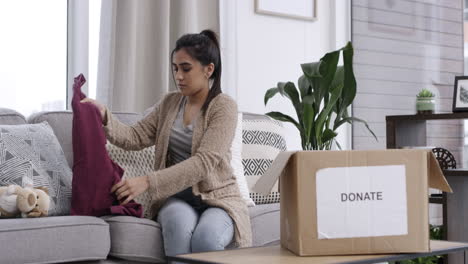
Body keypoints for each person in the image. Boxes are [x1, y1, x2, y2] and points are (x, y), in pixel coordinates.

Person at [81, 29, 252, 257]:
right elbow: (135, 136)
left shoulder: (223, 107)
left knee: (206, 238)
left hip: (219, 198)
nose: (178, 76)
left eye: (186, 68)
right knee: (178, 228)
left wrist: (148, 181)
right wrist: (105, 116)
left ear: (208, 69)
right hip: (177, 198)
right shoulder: (170, 103)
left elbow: (204, 163)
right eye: (175, 68)